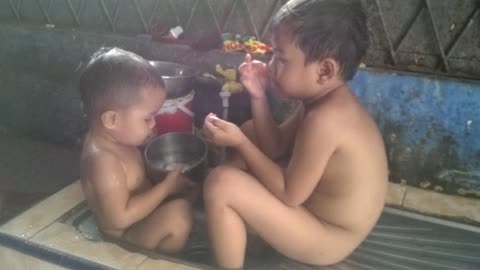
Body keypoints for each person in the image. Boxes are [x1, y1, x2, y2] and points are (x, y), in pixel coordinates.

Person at [202, 0, 388, 268]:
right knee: (252, 131)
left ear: (324, 70)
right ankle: (235, 215)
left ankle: (228, 221)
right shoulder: (323, 102)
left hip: (328, 237)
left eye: (282, 57)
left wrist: (240, 144)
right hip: (313, 213)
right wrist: (258, 96)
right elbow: (275, 147)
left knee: (221, 184)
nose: (271, 64)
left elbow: (290, 193)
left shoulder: (326, 120)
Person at [79, 47, 196, 253]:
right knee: (178, 215)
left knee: (193, 194)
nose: (153, 124)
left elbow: (137, 176)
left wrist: (164, 181)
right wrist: (166, 188)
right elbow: (119, 218)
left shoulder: (117, 138)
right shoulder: (104, 160)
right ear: (112, 119)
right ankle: (162, 261)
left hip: (141, 220)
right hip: (123, 242)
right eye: (147, 118)